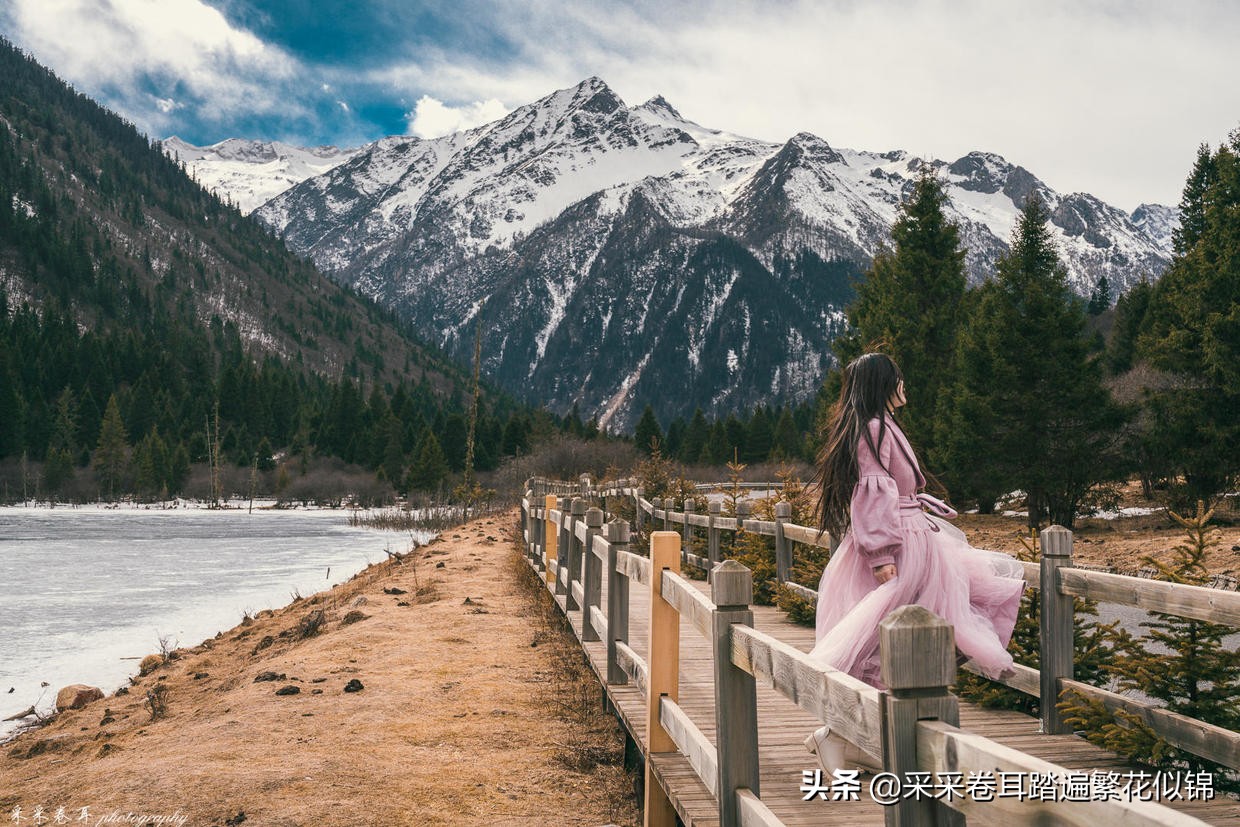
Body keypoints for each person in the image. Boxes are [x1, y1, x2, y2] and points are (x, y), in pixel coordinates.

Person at [803, 352, 1025, 775]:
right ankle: (840, 735)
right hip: (900, 544)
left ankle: (852, 738)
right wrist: (882, 555)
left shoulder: (883, 426)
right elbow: (872, 492)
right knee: (884, 642)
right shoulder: (874, 429)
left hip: (913, 538)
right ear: (883, 385)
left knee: (925, 631)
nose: (904, 385)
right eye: (898, 378)